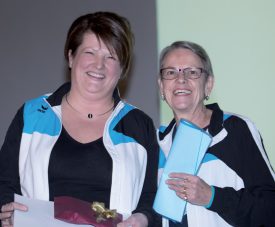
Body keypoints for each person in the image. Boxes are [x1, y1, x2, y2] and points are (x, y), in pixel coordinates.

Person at [0, 11, 160, 227]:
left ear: (123, 69)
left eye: (111, 56)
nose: (99, 65)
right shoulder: (32, 114)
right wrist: (7, 210)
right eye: (90, 52)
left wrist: (143, 219)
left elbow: (151, 197)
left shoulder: (139, 126)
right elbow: (5, 183)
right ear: (71, 56)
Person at [157, 40, 275, 226]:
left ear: (208, 85)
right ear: (162, 86)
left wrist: (212, 197)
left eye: (192, 72)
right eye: (171, 72)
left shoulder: (236, 130)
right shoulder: (155, 142)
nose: (181, 79)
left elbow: (270, 208)